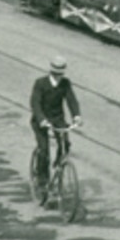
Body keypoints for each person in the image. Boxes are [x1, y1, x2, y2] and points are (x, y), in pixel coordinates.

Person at [30, 57, 82, 196]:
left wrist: (76, 116)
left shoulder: (65, 83)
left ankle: (59, 164)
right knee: (44, 150)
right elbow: (35, 103)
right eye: (56, 74)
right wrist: (42, 120)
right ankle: (42, 180)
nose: (58, 77)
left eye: (61, 74)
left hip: (57, 119)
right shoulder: (40, 83)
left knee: (65, 143)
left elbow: (71, 100)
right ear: (51, 72)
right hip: (41, 121)